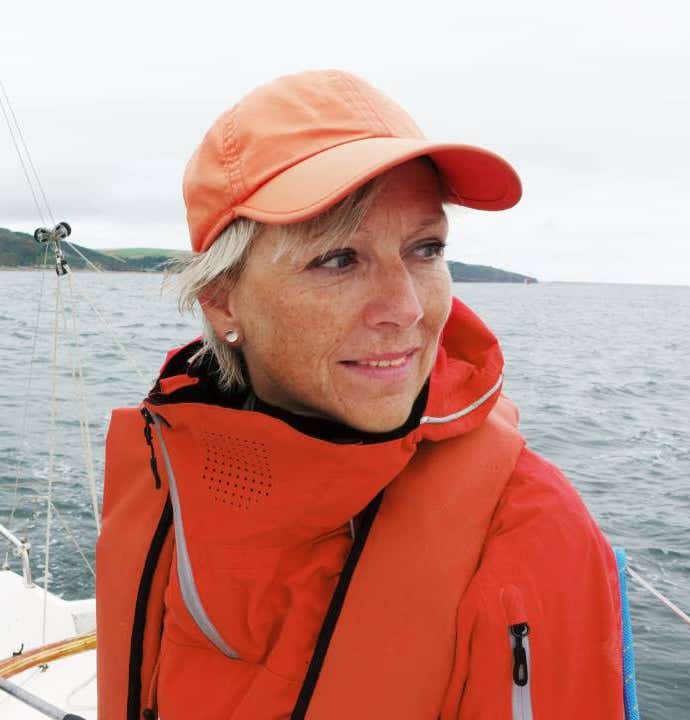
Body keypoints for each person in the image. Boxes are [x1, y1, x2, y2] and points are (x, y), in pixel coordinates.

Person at [96, 69, 626, 719]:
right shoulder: (172, 468)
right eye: (339, 259)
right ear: (221, 298)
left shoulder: (530, 532)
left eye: (425, 249)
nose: (406, 309)